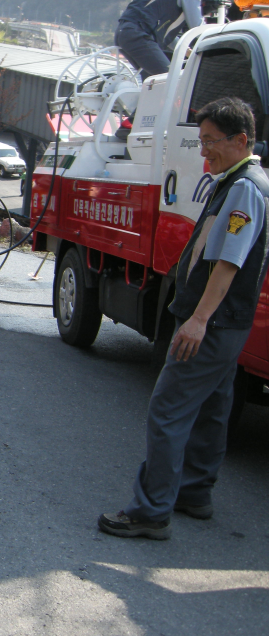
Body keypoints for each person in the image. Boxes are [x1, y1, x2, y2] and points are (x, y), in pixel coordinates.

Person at [98, 97, 269, 540]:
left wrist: (198, 320)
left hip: (212, 324)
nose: (204, 151)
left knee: (168, 410)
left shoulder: (245, 188)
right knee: (214, 406)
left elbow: (229, 262)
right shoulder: (236, 181)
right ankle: (194, 492)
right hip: (225, 325)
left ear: (241, 140)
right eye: (202, 140)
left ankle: (150, 511)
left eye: (211, 141)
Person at [115, 0, 207, 81]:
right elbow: (197, 26)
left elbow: (167, 37)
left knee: (151, 81)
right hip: (139, 35)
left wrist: (187, 51)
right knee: (171, 80)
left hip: (123, 33)